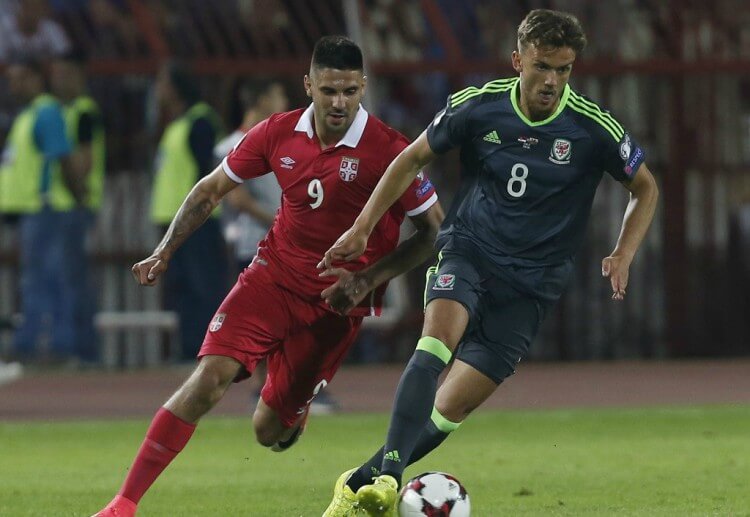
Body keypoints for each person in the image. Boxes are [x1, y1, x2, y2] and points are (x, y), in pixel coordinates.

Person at [321, 9, 659, 516]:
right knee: (435, 345)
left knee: (451, 408)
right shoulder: (478, 106)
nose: (551, 81)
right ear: (518, 60)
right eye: (542, 66)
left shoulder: (593, 127)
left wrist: (623, 252)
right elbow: (410, 158)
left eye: (563, 69)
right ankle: (390, 477)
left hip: (533, 284)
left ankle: (361, 480)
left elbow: (645, 187)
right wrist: (363, 226)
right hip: (470, 251)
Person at [92, 35, 443, 517]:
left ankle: (293, 411)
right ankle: (123, 503)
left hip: (336, 304)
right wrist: (164, 250)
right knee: (210, 378)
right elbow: (211, 189)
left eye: (349, 91)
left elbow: (433, 232)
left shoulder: (390, 149)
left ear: (363, 87)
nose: (339, 103)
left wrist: (366, 280)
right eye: (328, 91)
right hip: (271, 280)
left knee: (267, 431)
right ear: (308, 86)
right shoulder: (277, 132)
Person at [0, 58, 81, 361]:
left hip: (43, 207)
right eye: (11, 79)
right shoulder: (28, 114)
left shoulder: (46, 112)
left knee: (44, 277)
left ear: (36, 78)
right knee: (40, 277)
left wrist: (77, 196)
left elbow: (61, 156)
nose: (13, 85)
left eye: (20, 78)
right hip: (30, 208)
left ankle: (45, 343)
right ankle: (43, 341)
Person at [150, 61, 228, 360]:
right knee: (181, 286)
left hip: (196, 221)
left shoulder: (200, 121)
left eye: (162, 82)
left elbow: (205, 173)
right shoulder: (179, 123)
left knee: (202, 285)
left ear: (175, 86)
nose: (158, 90)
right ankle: (188, 348)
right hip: (175, 219)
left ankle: (207, 349)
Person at [49, 50, 106, 362]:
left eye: (65, 73)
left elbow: (84, 162)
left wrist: (77, 191)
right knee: (69, 279)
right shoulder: (67, 111)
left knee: (73, 280)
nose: (59, 80)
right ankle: (77, 347)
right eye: (56, 73)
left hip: (75, 206)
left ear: (79, 76)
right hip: (67, 206)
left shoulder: (83, 112)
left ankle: (79, 349)